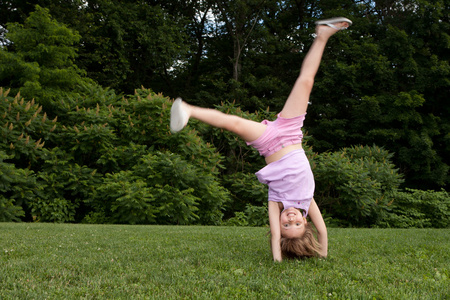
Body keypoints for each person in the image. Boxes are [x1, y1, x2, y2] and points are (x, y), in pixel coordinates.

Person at [170, 17, 352, 262]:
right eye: (296, 223)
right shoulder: (307, 201)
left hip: (268, 143)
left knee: (233, 123)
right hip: (291, 132)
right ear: (304, 220)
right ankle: (322, 35)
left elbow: (275, 236)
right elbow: (323, 230)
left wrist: (278, 260)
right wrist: (324, 255)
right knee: (306, 82)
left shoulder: (275, 203)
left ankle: (188, 109)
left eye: (287, 225)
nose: (290, 220)